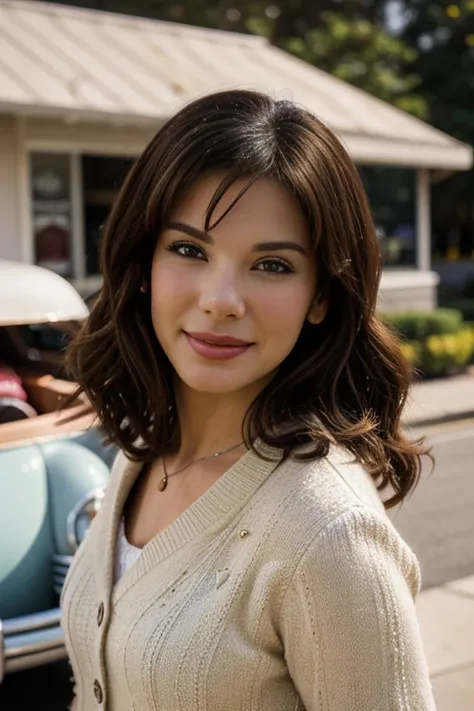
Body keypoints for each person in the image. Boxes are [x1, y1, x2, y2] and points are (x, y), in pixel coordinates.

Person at [61, 89, 437, 711]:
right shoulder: (144, 453)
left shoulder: (329, 533)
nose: (221, 299)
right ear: (144, 263)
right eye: (188, 250)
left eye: (272, 265)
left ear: (321, 295)